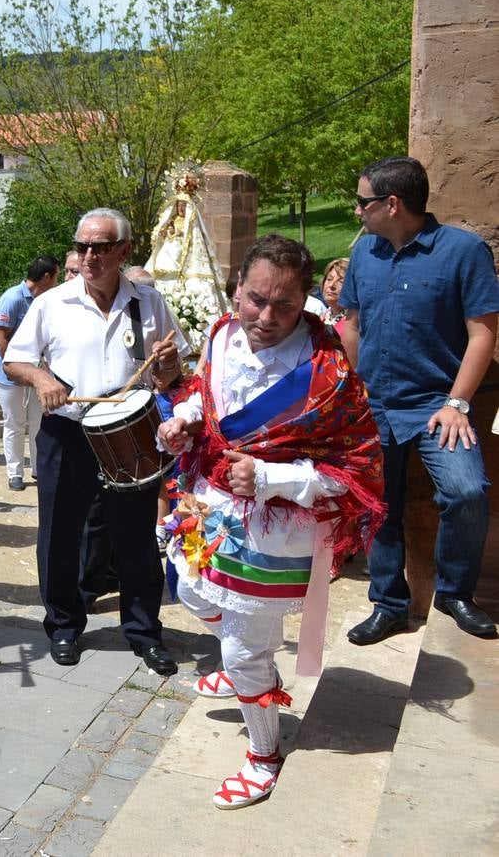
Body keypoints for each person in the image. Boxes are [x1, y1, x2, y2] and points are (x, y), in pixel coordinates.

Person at [157, 234, 384, 808]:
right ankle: (247, 667)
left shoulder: (327, 374)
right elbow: (204, 390)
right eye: (255, 299)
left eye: (284, 305)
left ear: (306, 300)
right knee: (184, 584)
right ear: (236, 289)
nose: (265, 317)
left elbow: (355, 470)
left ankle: (264, 754)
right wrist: (183, 418)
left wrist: (269, 478)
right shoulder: (218, 333)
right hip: (208, 502)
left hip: (276, 528)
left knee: (241, 649)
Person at [4, 208, 188, 675]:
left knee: (136, 538)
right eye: (82, 246)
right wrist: (41, 377)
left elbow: (171, 375)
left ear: (123, 252)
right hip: (68, 431)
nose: (89, 256)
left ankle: (144, 632)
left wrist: (165, 364)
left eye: (100, 247)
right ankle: (64, 625)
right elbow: (14, 361)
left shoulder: (149, 302)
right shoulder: (52, 303)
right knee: (60, 535)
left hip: (131, 433)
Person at [340, 156, 499, 643]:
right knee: (376, 503)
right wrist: (356, 383)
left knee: (467, 492)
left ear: (392, 204)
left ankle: (454, 593)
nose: (357, 210)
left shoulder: (462, 251)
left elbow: (483, 333)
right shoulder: (366, 253)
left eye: (363, 202)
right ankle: (388, 604)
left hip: (437, 404)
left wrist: (458, 403)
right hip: (375, 404)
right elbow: (350, 320)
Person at [0, 256, 60, 491]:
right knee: (15, 423)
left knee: (37, 421)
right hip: (9, 376)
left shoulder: (45, 300)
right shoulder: (12, 298)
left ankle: (39, 470)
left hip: (35, 374)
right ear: (47, 276)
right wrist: (13, 371)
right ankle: (15, 473)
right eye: (57, 276)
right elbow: (1, 338)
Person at [318, 257, 349, 332]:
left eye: (341, 281)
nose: (331, 285)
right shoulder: (323, 317)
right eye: (329, 279)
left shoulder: (353, 322)